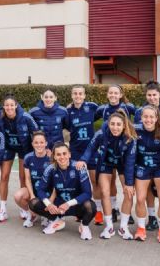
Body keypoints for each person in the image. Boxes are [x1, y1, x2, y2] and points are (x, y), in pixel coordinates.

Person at [76, 110, 137, 239]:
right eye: (112, 124)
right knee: (104, 192)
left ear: (124, 125)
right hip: (106, 163)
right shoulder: (101, 134)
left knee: (129, 192)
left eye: (118, 125)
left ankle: (123, 227)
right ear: (108, 124)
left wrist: (129, 184)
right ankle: (109, 227)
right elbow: (90, 148)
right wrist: (83, 160)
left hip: (123, 164)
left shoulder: (130, 139)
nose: (115, 127)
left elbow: (130, 163)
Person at [29, 142, 96, 239]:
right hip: (58, 206)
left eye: (64, 153)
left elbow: (88, 193)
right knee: (33, 203)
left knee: (90, 206)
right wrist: (49, 204)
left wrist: (68, 204)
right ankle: (55, 220)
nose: (62, 157)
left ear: (69, 154)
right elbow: (40, 190)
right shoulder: (50, 169)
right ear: (54, 157)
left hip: (75, 205)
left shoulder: (79, 168)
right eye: (58, 154)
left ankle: (84, 226)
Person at [134, 80, 160, 231]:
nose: (152, 97)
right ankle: (151, 217)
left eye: (154, 94)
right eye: (149, 95)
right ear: (146, 96)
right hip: (145, 160)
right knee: (146, 190)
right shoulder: (140, 112)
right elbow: (137, 135)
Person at [0, 94, 38, 222]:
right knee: (4, 176)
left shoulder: (26, 117)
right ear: (3, 106)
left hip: (24, 148)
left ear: (16, 105)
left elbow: (37, 132)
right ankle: (3, 209)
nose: (9, 107)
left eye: (12, 105)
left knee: (23, 178)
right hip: (8, 147)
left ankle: (24, 207)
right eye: (7, 105)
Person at [95, 84, 136, 221]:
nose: (113, 95)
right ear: (107, 94)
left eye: (115, 93)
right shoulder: (102, 109)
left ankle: (127, 213)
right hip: (109, 149)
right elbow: (88, 119)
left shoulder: (128, 107)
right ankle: (113, 209)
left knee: (126, 183)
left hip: (123, 149)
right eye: (110, 93)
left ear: (120, 94)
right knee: (111, 182)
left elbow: (142, 115)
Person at [66, 85, 102, 224]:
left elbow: (103, 113)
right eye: (75, 93)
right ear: (71, 95)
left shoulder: (92, 107)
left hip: (91, 150)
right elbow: (65, 126)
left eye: (80, 93)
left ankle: (98, 211)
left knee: (95, 181)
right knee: (77, 182)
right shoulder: (67, 111)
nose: (78, 96)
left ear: (85, 95)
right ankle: (79, 210)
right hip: (75, 151)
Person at [13, 131, 50, 228]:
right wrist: (32, 195)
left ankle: (46, 215)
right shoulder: (28, 157)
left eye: (42, 142)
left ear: (46, 143)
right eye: (36, 142)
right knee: (18, 196)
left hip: (47, 191)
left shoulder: (51, 157)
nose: (39, 145)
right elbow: (28, 179)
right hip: (34, 188)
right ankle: (32, 214)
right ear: (32, 144)